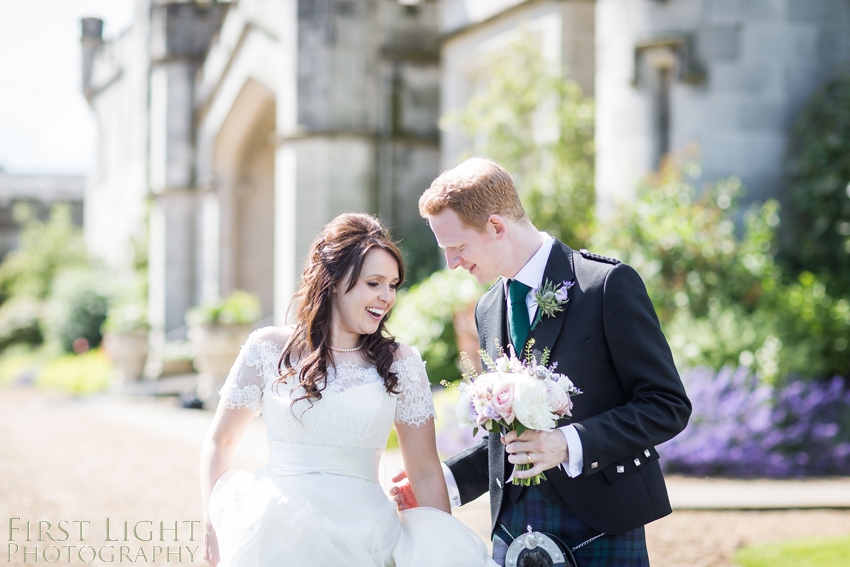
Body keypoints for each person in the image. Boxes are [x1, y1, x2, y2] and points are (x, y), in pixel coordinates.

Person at [393, 158, 692, 566]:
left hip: (602, 527)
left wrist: (567, 444)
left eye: (457, 247)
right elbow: (507, 435)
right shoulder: (488, 308)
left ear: (496, 227)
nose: (453, 263)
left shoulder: (604, 286)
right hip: (514, 527)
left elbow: (666, 405)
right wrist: (440, 482)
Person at [200, 213, 496, 567]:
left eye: (393, 285)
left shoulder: (402, 363)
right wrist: (212, 523)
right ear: (335, 280)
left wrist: (441, 548)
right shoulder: (267, 348)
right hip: (276, 530)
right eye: (374, 283)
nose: (387, 296)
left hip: (368, 536)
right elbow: (221, 442)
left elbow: (426, 471)